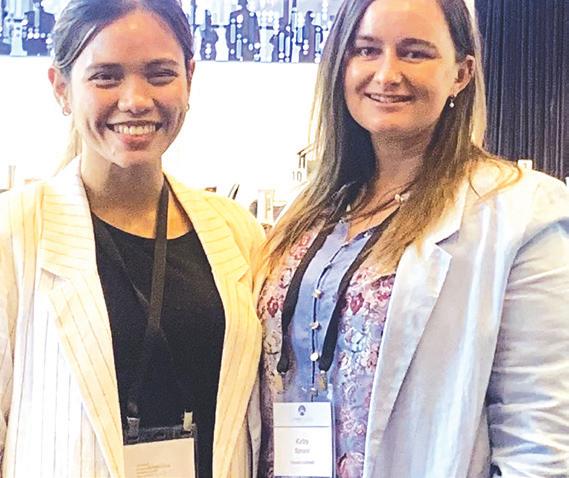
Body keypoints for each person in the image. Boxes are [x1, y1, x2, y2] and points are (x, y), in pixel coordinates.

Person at [254, 0, 569, 476]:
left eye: (415, 52)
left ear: (461, 74)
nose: (387, 74)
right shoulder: (314, 209)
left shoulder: (521, 213)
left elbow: (541, 444)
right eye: (366, 50)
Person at [0, 0, 264, 477]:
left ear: (189, 78)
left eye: (160, 74)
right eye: (106, 77)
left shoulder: (236, 233)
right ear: (61, 88)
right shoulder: (14, 233)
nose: (136, 99)